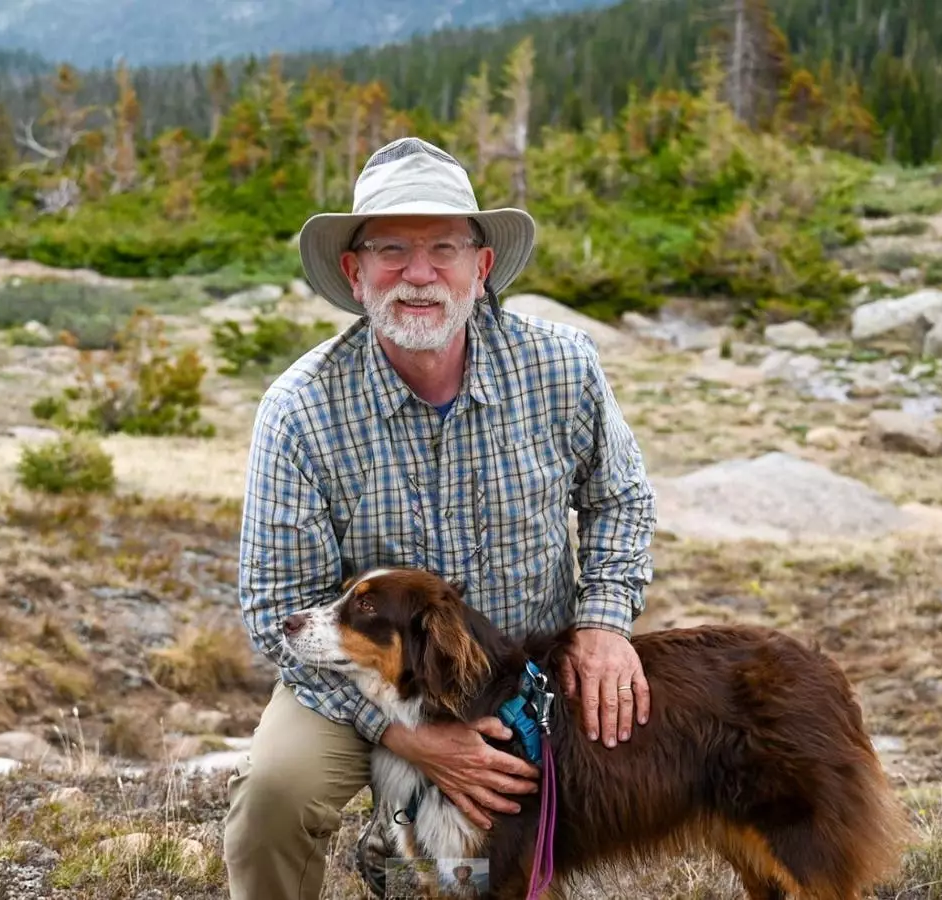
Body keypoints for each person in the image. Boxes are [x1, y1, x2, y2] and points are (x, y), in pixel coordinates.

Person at [223, 136, 658, 900]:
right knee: (275, 794)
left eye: (443, 249)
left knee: (525, 868)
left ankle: (409, 861)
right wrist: (409, 736)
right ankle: (398, 847)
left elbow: (618, 498)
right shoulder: (299, 409)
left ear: (479, 268)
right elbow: (271, 610)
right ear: (354, 271)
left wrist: (603, 624)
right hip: (364, 681)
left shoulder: (561, 365)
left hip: (527, 673)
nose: (417, 275)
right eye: (390, 249)